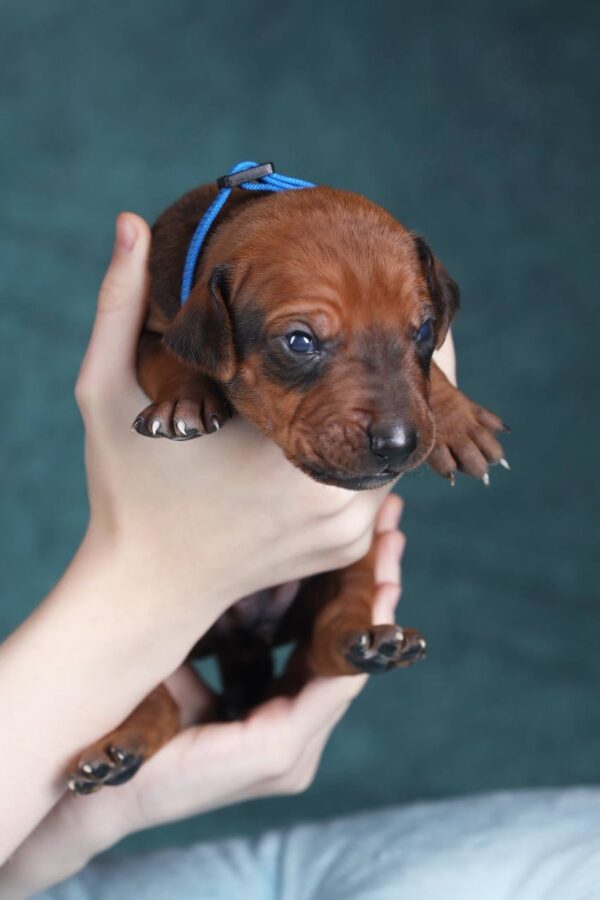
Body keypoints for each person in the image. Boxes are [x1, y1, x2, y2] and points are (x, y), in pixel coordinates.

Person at [0, 213, 456, 897]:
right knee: (152, 684)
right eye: (302, 339)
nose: (394, 433)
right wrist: (157, 571)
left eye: (419, 332)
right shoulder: (197, 296)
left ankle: (341, 636)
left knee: (348, 582)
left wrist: (114, 811)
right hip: (171, 614)